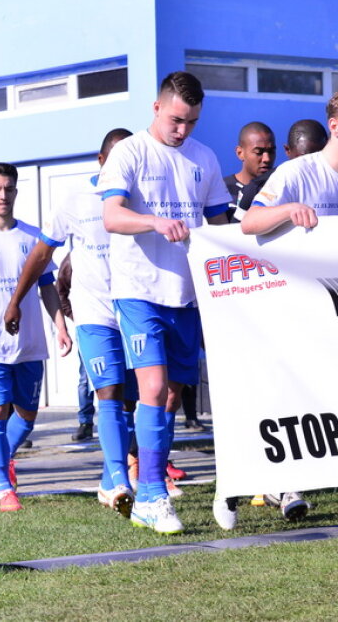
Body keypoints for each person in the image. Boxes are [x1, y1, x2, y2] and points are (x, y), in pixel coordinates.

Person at [238, 85, 338, 536]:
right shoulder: (295, 173)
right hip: (297, 318)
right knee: (295, 406)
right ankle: (263, 482)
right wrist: (288, 210)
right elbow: (248, 223)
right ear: (336, 126)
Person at [99, 71, 230, 534]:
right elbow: (112, 216)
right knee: (152, 390)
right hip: (139, 290)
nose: (182, 130)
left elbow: (220, 224)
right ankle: (151, 493)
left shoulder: (204, 158)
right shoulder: (129, 151)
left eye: (192, 122)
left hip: (187, 295)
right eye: (176, 119)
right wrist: (154, 222)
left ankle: (148, 485)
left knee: (171, 397)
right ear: (157, 108)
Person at [6, 129, 139, 517]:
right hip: (95, 315)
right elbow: (42, 253)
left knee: (141, 400)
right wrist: (16, 300)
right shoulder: (75, 199)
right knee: (109, 392)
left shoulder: (142, 197)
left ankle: (118, 474)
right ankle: (118, 478)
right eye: (113, 161)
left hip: (138, 310)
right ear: (100, 161)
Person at [0, 163, 71, 511]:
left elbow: (47, 287)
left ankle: (4, 459)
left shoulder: (33, 236)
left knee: (27, 415)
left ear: (16, 191)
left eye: (8, 189)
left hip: (29, 342)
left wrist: (60, 324)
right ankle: (4, 489)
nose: (3, 195)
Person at [234, 119, 328, 221]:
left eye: (317, 157)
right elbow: (237, 232)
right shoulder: (256, 188)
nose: (267, 159)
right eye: (303, 159)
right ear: (287, 151)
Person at [225, 122, 276, 220]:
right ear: (240, 153)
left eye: (271, 151)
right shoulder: (221, 191)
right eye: (258, 152)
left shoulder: (280, 190)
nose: (267, 159)